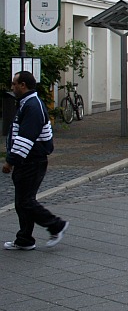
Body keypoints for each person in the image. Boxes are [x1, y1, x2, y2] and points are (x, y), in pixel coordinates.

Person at [3, 71, 69, 250]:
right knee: (22, 202)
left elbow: (26, 138)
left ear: (23, 85)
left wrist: (11, 161)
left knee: (25, 201)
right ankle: (24, 239)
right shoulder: (28, 104)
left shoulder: (32, 106)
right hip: (29, 160)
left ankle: (56, 225)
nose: (12, 87)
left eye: (14, 83)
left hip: (32, 161)